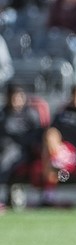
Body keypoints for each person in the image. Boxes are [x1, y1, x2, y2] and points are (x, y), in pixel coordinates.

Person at [0, 83, 44, 212]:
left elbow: (37, 134)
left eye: (19, 97)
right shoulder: (3, 114)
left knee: (6, 160)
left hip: (23, 151)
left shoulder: (31, 114)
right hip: (4, 147)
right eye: (14, 98)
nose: (17, 101)